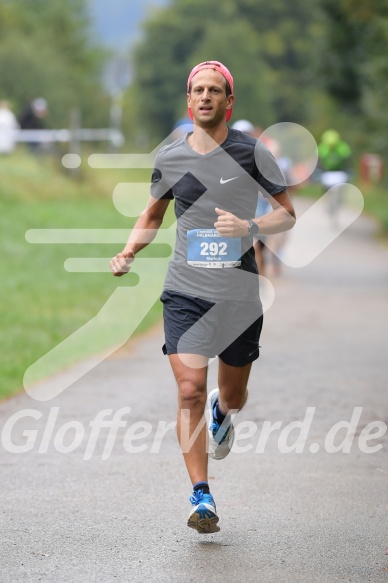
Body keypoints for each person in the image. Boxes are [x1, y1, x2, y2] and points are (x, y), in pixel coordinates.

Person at [110, 61, 295, 534]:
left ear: (228, 101)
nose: (206, 97)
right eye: (198, 90)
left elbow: (287, 214)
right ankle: (201, 495)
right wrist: (130, 249)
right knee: (188, 388)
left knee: (232, 395)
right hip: (185, 291)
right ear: (188, 100)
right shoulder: (170, 156)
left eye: (215, 90)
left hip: (237, 293)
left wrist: (250, 227)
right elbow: (152, 215)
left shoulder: (252, 153)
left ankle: (222, 411)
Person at [317, 129, 352, 226]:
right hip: (328, 174)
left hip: (339, 173)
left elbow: (348, 161)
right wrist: (318, 172)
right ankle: (329, 203)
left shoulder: (342, 148)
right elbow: (319, 162)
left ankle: (336, 204)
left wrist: (349, 171)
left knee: (339, 192)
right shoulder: (323, 148)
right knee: (328, 191)